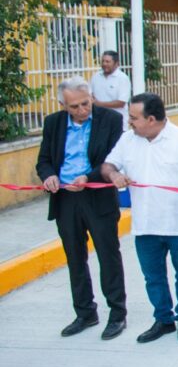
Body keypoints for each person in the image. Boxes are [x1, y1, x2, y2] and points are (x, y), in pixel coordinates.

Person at [101, 93, 178, 343]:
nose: (129, 122)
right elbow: (108, 166)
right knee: (153, 277)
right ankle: (163, 320)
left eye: (133, 118)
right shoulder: (128, 140)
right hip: (145, 225)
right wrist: (114, 176)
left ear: (151, 119)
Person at [35, 77, 127, 340]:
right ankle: (85, 312)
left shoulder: (109, 119)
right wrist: (49, 176)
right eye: (74, 107)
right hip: (65, 199)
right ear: (63, 105)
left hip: (97, 196)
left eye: (85, 103)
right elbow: (44, 160)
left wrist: (88, 177)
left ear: (91, 97)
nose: (82, 110)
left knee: (108, 255)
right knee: (75, 257)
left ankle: (117, 314)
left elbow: (112, 160)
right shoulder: (53, 123)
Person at [90, 50, 132, 131]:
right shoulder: (96, 77)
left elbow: (121, 103)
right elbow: (90, 94)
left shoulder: (122, 78)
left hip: (117, 123)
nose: (104, 64)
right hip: (99, 122)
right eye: (103, 61)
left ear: (116, 63)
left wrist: (99, 104)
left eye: (108, 61)